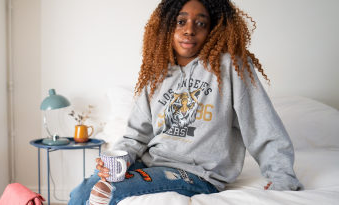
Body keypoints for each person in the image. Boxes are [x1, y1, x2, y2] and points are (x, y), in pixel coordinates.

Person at [69, 0, 303, 204]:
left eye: (200, 23)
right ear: (167, 26)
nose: (189, 30)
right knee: (82, 192)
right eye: (181, 22)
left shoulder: (230, 66)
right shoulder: (156, 73)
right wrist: (117, 160)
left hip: (198, 174)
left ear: (213, 29)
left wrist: (282, 178)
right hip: (150, 164)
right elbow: (135, 136)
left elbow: (262, 125)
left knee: (105, 193)